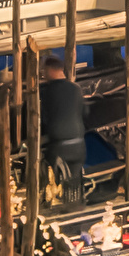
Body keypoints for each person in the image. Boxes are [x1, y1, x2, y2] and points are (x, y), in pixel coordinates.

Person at [36, 49, 88, 206]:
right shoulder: (75, 89)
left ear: (50, 71)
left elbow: (42, 118)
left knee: (54, 186)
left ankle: (59, 213)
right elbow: (85, 112)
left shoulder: (45, 92)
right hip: (79, 145)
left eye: (44, 72)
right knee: (74, 183)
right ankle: (77, 207)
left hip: (59, 147)